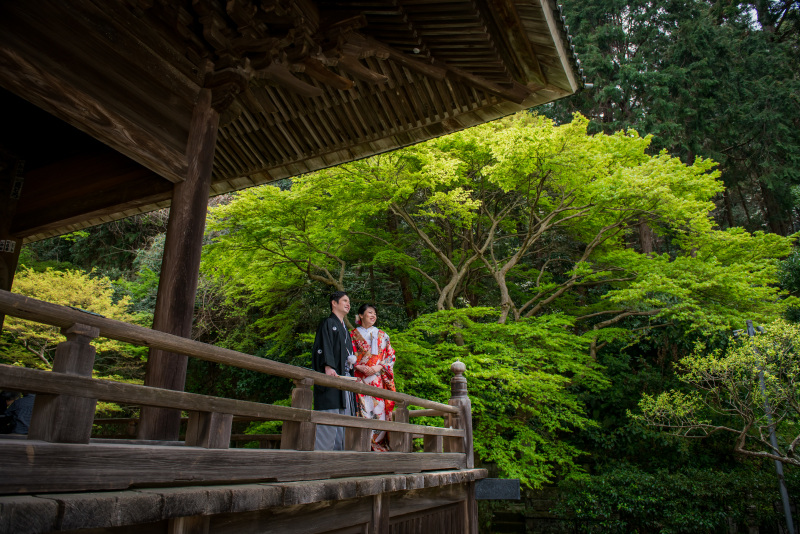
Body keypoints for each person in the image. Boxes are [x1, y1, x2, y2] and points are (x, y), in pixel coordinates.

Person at [311, 291, 357, 451]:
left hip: (345, 378)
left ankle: (339, 459)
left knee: (345, 419)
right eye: (344, 300)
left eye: (349, 301)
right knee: (330, 416)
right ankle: (322, 459)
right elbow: (324, 346)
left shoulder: (344, 329)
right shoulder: (328, 323)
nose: (348, 303)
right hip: (333, 377)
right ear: (334, 303)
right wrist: (328, 366)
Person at [351, 304, 397, 451]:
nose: (373, 315)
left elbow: (390, 355)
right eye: (370, 312)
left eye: (375, 313)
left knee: (379, 410)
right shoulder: (351, 335)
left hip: (377, 379)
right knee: (362, 409)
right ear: (361, 315)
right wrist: (357, 366)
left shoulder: (383, 335)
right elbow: (347, 355)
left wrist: (378, 367)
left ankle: (378, 443)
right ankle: (363, 445)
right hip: (359, 378)